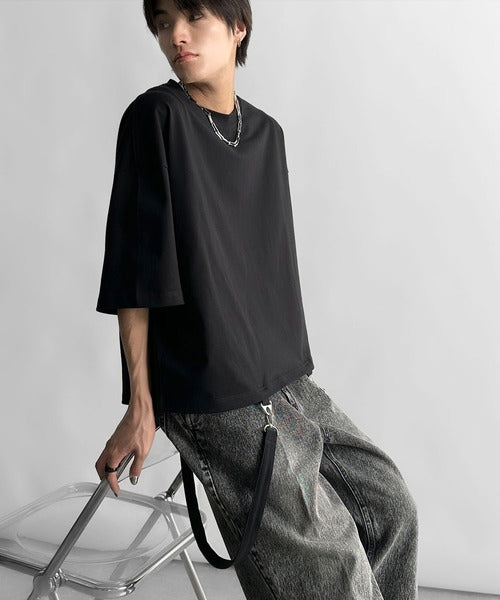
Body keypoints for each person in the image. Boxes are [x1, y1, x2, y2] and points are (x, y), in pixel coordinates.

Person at [94, 0, 419, 598]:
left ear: (238, 27)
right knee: (333, 562)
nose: (175, 35)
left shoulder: (267, 135)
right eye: (163, 23)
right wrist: (142, 403)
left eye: (194, 17)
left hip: (281, 377)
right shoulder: (156, 117)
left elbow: (267, 271)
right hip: (212, 388)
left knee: (390, 509)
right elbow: (136, 271)